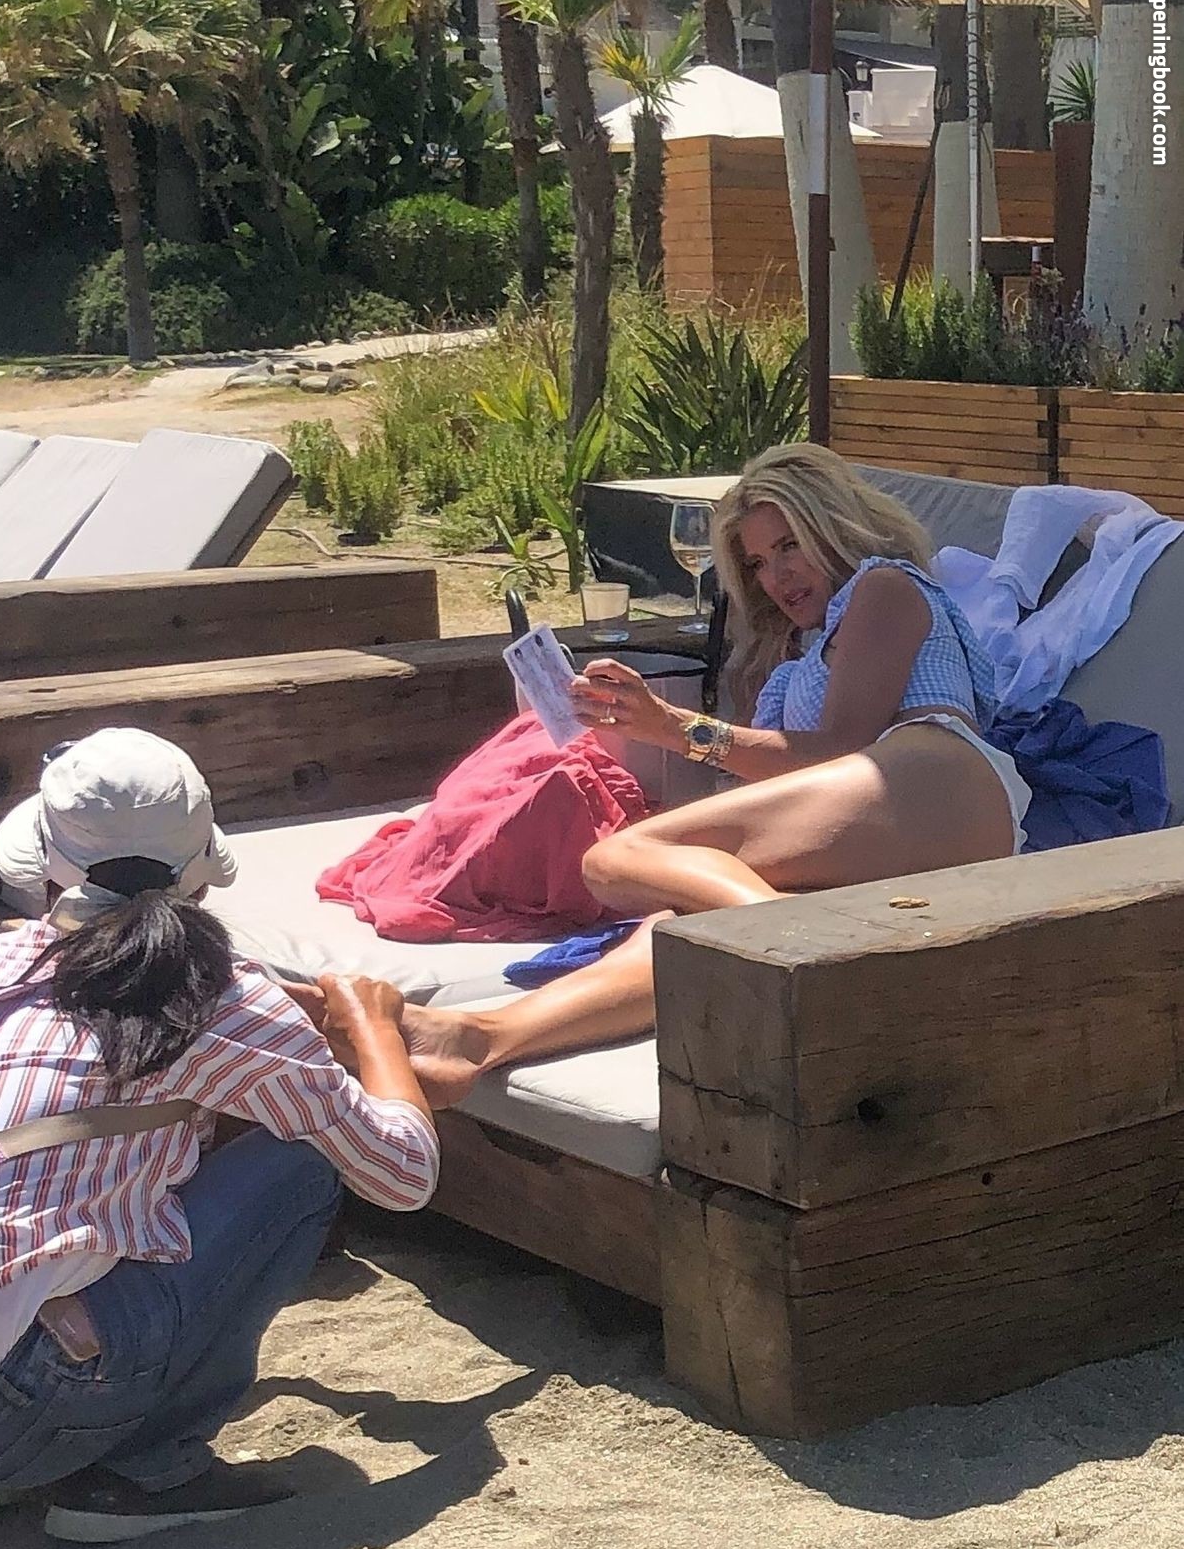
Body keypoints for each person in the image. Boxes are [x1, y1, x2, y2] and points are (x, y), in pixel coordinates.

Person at [0, 728, 439, 1543]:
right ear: (201, 866)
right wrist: (372, 1026)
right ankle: (145, 1473)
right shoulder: (220, 1000)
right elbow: (403, 1175)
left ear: (45, 861)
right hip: (14, 1412)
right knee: (298, 1165)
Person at [395, 444, 1033, 1102]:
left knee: (617, 859)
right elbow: (794, 779)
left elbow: (843, 748)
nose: (776, 576)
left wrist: (673, 728)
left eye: (789, 545)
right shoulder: (798, 650)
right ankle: (479, 1036)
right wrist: (659, 742)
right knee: (680, 927)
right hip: (896, 826)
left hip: (936, 777)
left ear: (834, 525)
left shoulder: (885, 587)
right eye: (757, 563)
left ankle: (813, 956)